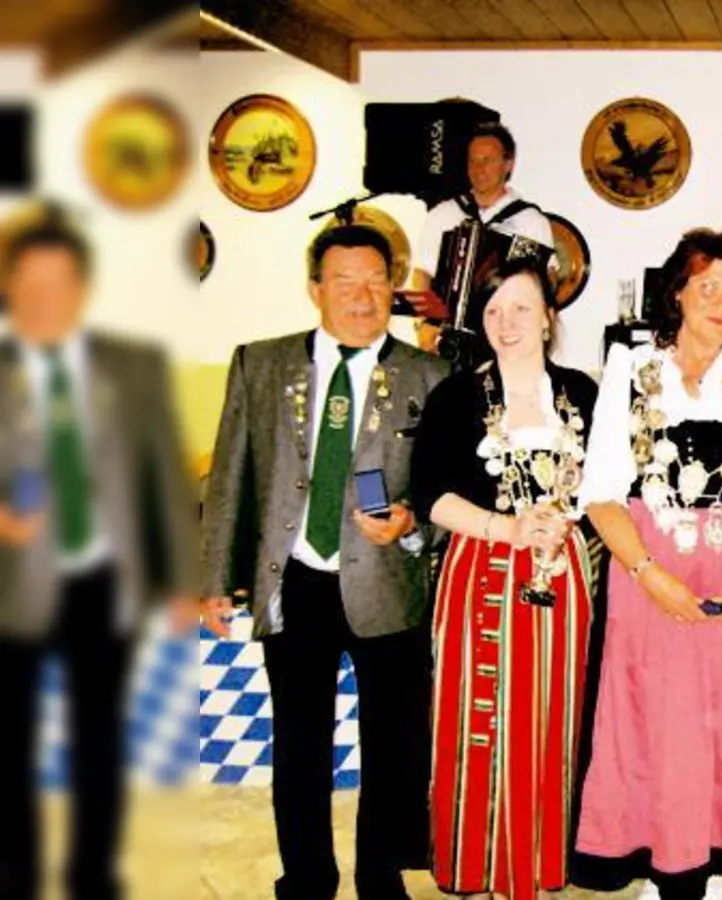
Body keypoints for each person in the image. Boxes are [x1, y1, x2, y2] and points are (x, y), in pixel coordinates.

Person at [198, 225, 449, 900]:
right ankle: (306, 877)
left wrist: (411, 524)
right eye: (345, 281)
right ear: (316, 289)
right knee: (299, 743)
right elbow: (231, 477)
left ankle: (378, 876)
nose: (363, 295)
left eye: (375, 280)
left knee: (392, 747)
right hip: (296, 579)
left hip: (388, 583)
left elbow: (442, 487)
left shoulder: (430, 374)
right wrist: (216, 578)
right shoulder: (261, 362)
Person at [571, 229, 722, 900]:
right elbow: (600, 493)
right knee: (651, 716)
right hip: (644, 558)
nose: (720, 301)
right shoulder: (632, 368)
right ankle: (661, 856)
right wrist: (649, 574)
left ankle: (708, 861)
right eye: (706, 286)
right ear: (677, 290)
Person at [0, 216, 198, 900]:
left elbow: (164, 478)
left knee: (98, 739)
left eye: (58, 283)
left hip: (104, 579)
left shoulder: (131, 366)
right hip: (12, 583)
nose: (43, 297)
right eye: (30, 283)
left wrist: (180, 580)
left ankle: (92, 875)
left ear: (81, 288)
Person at [409, 249, 599, 900]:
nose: (507, 321)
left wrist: (561, 525)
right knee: (475, 721)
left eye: (522, 307)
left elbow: (608, 489)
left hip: (561, 573)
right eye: (494, 310)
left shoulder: (584, 393)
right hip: (479, 569)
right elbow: (430, 493)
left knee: (552, 718)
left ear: (549, 317)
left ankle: (538, 864)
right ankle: (477, 865)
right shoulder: (456, 395)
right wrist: (508, 529)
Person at [413, 121, 555, 290]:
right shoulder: (443, 214)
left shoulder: (530, 221)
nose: (478, 168)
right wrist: (428, 316)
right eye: (472, 160)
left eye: (487, 160)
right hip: (447, 317)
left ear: (508, 164)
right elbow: (422, 274)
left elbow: (548, 279)